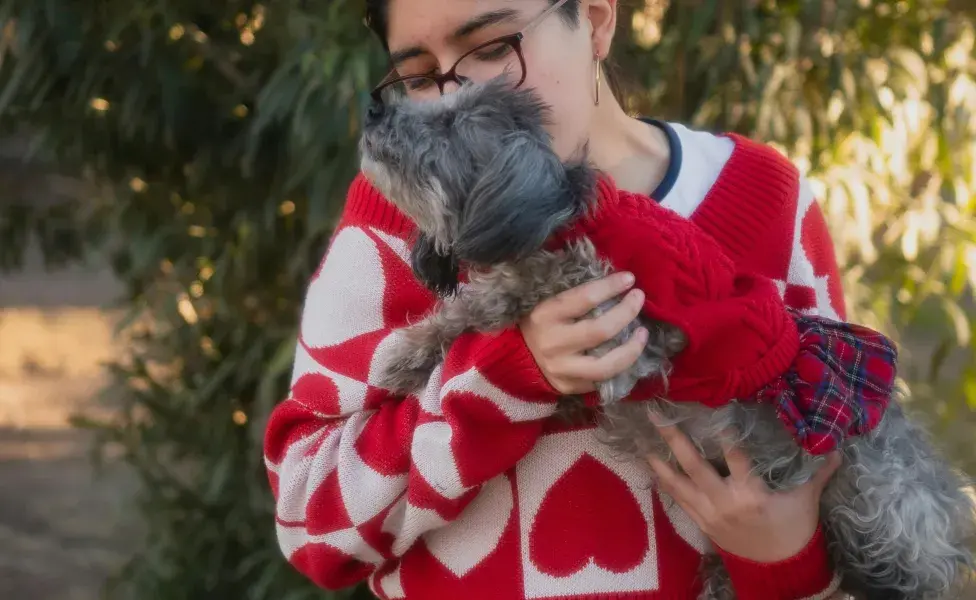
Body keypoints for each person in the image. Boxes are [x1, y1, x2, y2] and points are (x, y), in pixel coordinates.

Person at [263, 1, 852, 598]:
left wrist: (782, 562)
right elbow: (309, 520)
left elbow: (849, 488)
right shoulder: (405, 224)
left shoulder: (763, 199)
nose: (452, 97)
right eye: (418, 76)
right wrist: (500, 378)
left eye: (492, 48)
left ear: (595, 20)